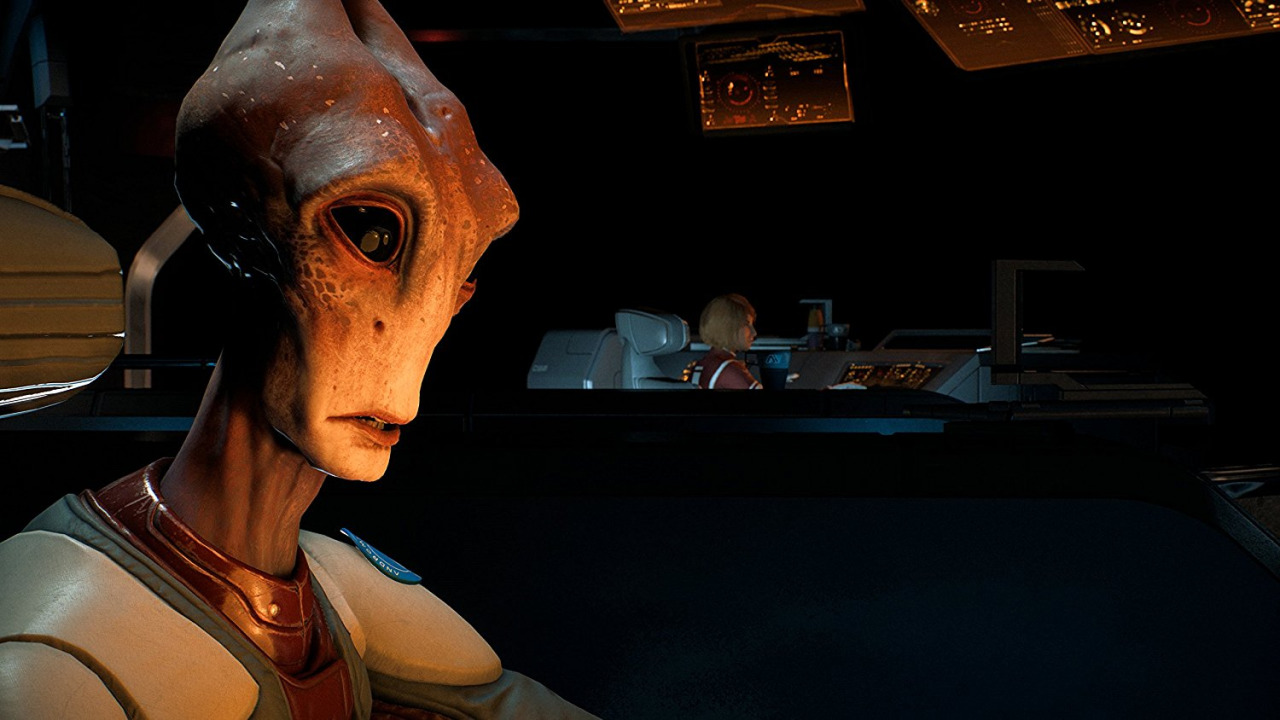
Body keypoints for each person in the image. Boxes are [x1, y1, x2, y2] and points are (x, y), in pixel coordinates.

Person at [0, 1, 597, 718]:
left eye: (459, 275)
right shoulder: (58, 656)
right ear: (245, 234)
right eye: (370, 236)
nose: (403, 397)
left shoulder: (336, 595)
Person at [694, 293, 763, 390]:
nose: (754, 332)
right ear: (728, 326)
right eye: (747, 324)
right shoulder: (729, 368)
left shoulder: (700, 365)